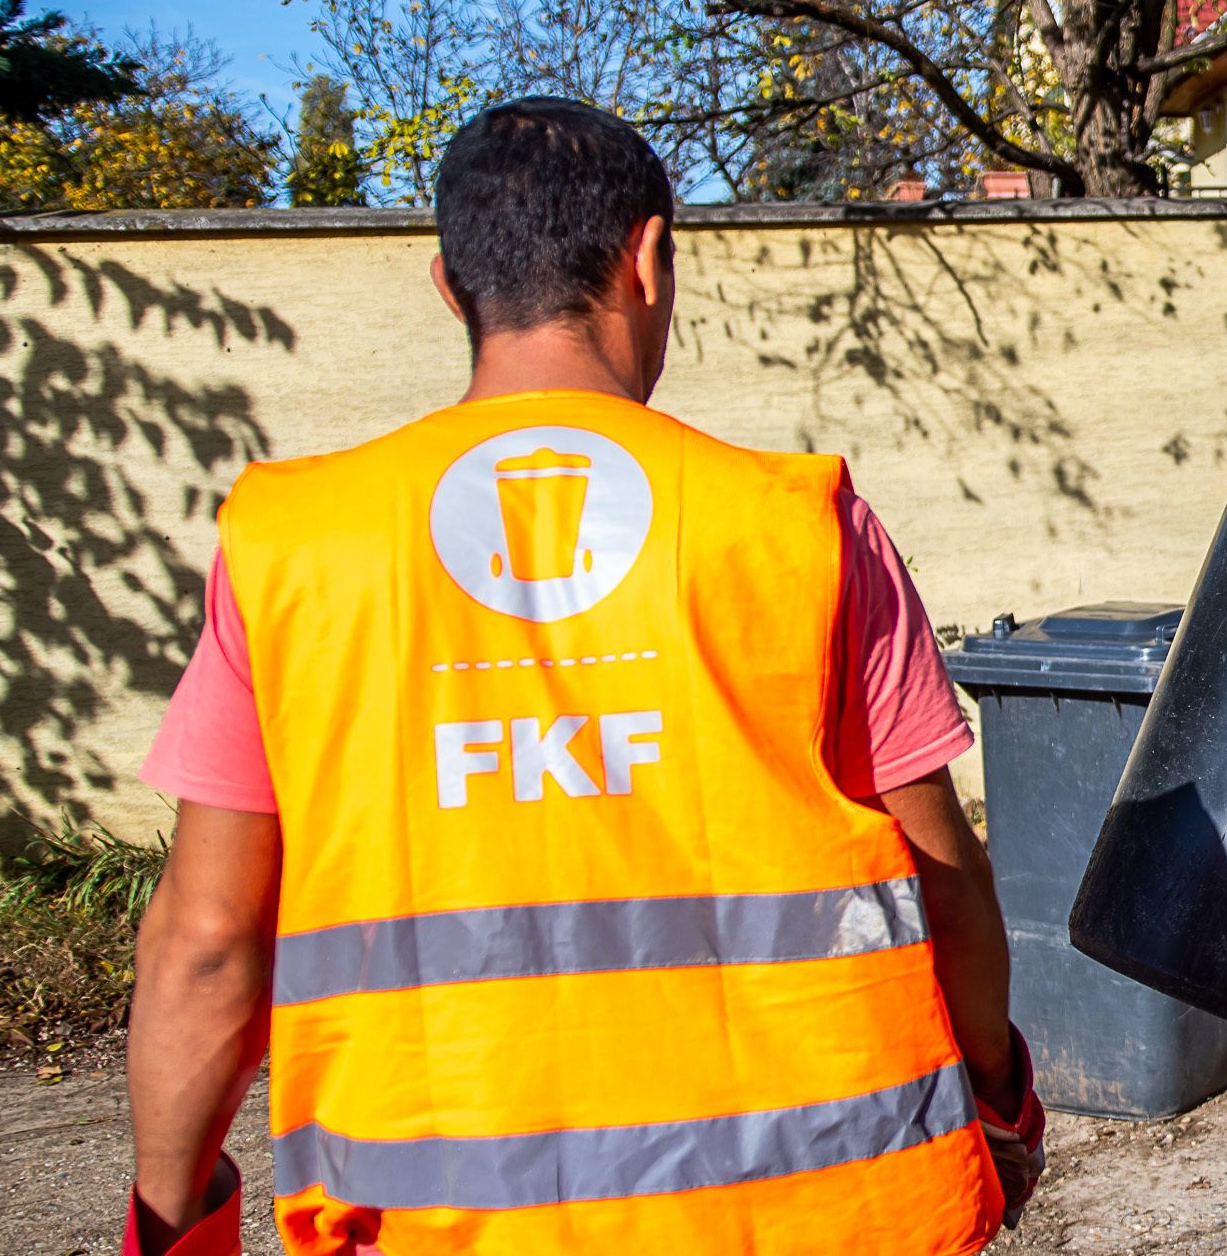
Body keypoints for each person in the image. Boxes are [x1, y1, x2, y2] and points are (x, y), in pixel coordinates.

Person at [124, 98, 1042, 1255]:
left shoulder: (294, 546)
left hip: (428, 1220)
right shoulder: (796, 524)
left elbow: (206, 941)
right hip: (810, 1212)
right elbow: (942, 878)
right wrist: (998, 1090)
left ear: (451, 287)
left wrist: (174, 1224)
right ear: (651, 260)